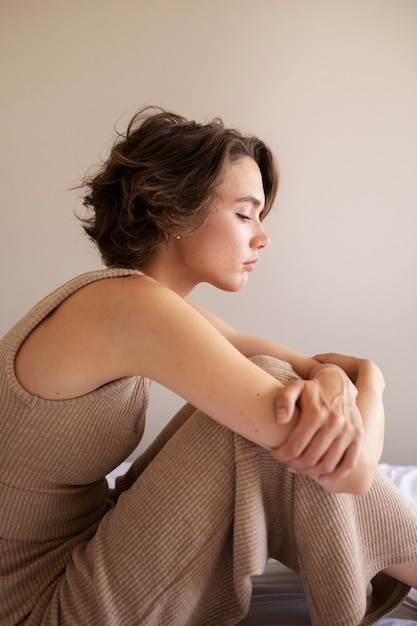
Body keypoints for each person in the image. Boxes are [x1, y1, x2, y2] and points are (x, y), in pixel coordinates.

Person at [1, 106, 416, 626]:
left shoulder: (134, 302)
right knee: (273, 425)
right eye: (245, 214)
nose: (261, 237)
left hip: (81, 550)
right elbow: (350, 472)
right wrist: (370, 383)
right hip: (37, 607)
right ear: (174, 212)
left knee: (273, 384)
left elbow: (301, 367)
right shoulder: (130, 310)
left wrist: (332, 379)